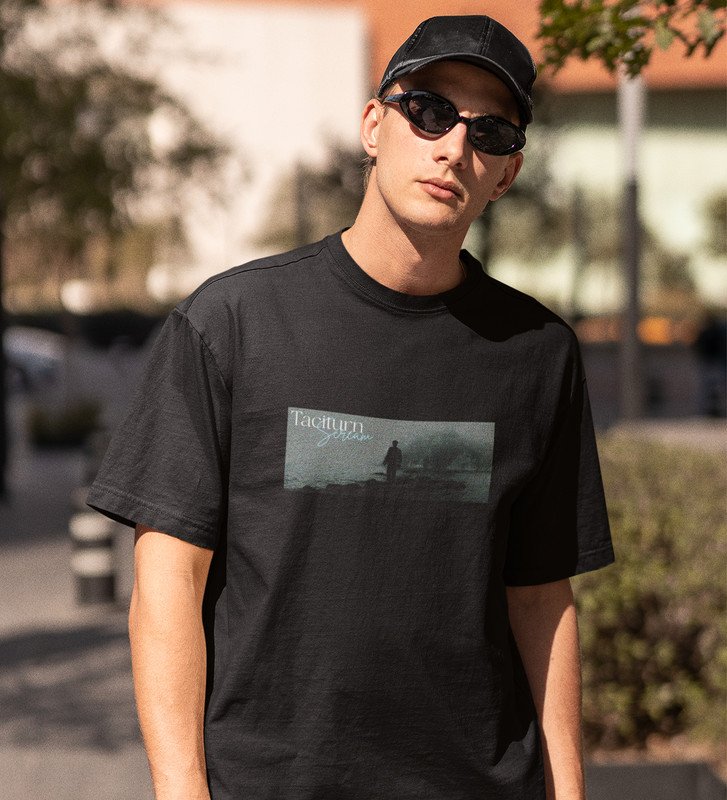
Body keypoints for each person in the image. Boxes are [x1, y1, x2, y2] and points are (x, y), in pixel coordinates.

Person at [88, 14, 615, 800]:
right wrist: (181, 788)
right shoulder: (232, 323)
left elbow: (540, 597)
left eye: (489, 132)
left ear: (506, 173)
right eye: (429, 111)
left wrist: (568, 791)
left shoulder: (536, 353)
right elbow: (168, 579)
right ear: (374, 126)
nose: (453, 148)